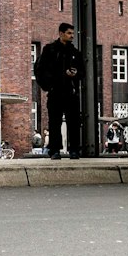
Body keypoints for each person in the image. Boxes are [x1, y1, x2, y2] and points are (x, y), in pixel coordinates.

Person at [34, 22, 82, 159]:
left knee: (74, 122)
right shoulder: (50, 50)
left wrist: (75, 74)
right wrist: (51, 83)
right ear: (61, 34)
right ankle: (54, 150)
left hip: (71, 92)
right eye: (69, 33)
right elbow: (40, 69)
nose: (72, 36)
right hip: (55, 91)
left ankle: (74, 150)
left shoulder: (75, 53)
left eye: (73, 33)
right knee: (54, 122)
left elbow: (82, 72)